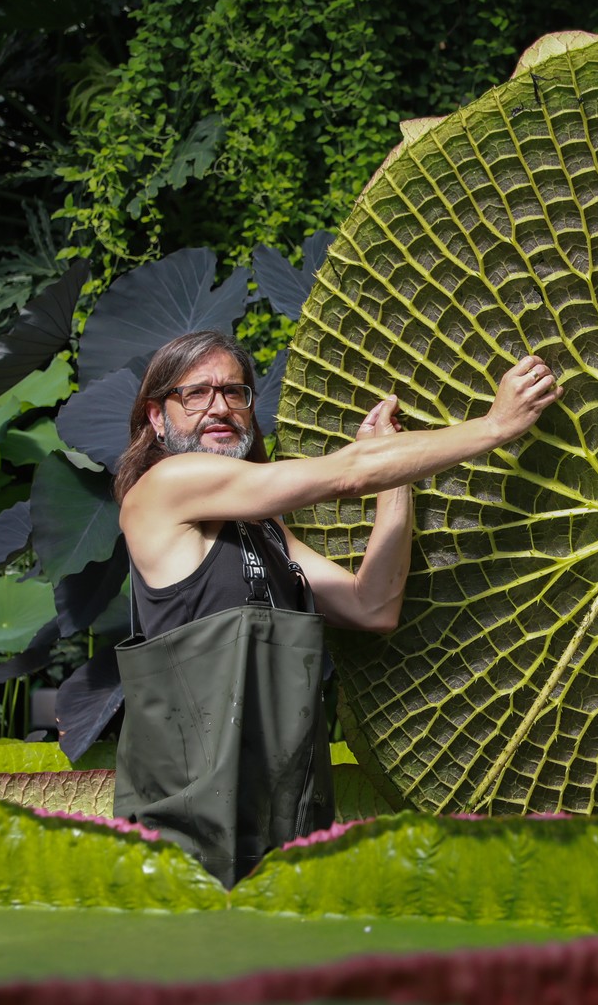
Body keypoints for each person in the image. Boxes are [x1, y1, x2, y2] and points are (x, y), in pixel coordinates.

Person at [111, 331, 561, 883]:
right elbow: (346, 474)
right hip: (190, 815)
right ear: (156, 417)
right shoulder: (163, 487)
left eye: (234, 392)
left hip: (280, 807)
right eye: (195, 394)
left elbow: (371, 605)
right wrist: (496, 427)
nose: (219, 406)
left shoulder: (264, 530)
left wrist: (393, 482)